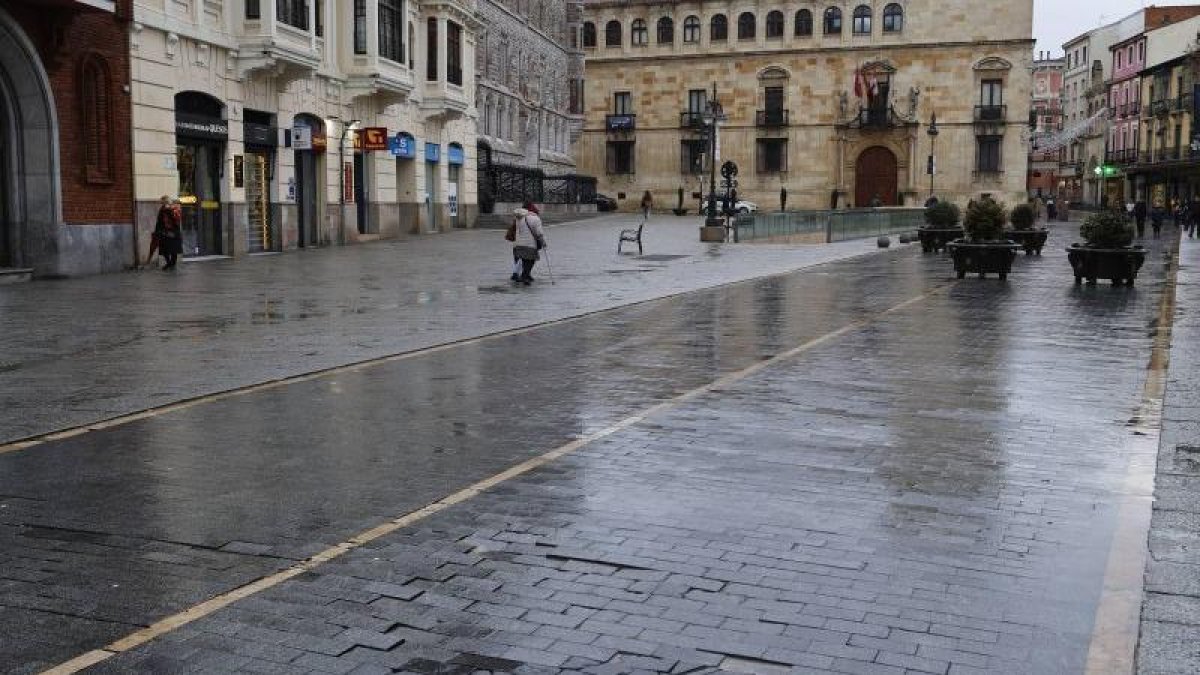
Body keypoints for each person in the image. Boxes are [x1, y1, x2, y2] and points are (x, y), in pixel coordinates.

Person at [510, 207, 545, 285]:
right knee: (530, 261)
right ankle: (525, 276)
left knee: (521, 260)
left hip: (517, 244)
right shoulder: (536, 219)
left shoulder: (518, 219)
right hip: (530, 245)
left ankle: (522, 275)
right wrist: (543, 242)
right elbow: (539, 233)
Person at [152, 196, 182, 270]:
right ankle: (169, 263)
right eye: (161, 202)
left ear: (166, 202)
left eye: (162, 202)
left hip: (174, 232)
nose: (161, 203)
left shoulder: (174, 209)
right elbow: (159, 221)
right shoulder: (162, 209)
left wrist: (169, 210)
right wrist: (156, 231)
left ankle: (172, 264)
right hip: (164, 232)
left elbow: (177, 221)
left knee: (174, 250)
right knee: (164, 249)